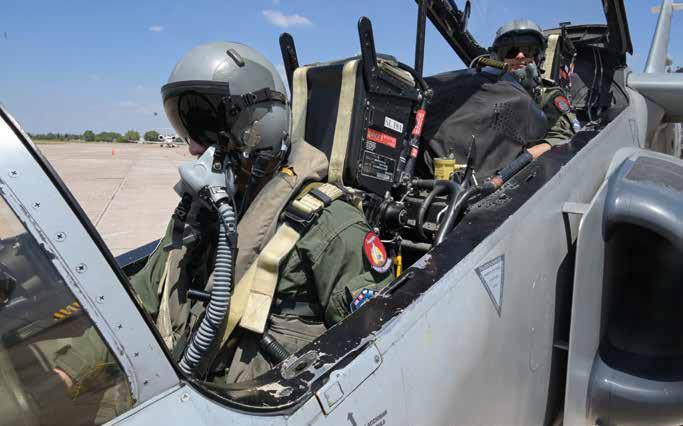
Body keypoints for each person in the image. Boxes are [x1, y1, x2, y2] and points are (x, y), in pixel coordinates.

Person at [53, 42, 393, 393]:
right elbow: (141, 298)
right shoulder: (198, 212)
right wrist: (67, 371)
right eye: (187, 129)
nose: (192, 148)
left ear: (261, 126)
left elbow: (376, 360)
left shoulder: (331, 229)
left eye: (206, 128)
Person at [490, 19, 579, 159]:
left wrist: (520, 161)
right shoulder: (488, 94)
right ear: (499, 58)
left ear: (538, 57)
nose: (520, 56)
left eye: (528, 50)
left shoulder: (548, 95)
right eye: (510, 51)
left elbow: (563, 137)